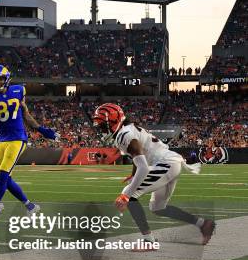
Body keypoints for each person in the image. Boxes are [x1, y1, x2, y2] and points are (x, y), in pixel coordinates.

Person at [92, 103, 215, 247]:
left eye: (102, 126)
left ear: (113, 121)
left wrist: (126, 195)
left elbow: (143, 167)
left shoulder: (123, 134)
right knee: (158, 207)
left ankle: (148, 241)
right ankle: (203, 224)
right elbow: (138, 156)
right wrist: (133, 175)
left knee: (129, 194)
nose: (100, 129)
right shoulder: (128, 130)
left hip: (166, 164)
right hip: (170, 162)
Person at [0, 65, 58, 227]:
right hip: (2, 140)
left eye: (1, 78)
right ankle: (31, 206)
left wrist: (43, 130)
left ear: (7, 79)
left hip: (18, 139)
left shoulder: (18, 90)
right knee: (6, 179)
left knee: (2, 175)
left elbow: (26, 115)